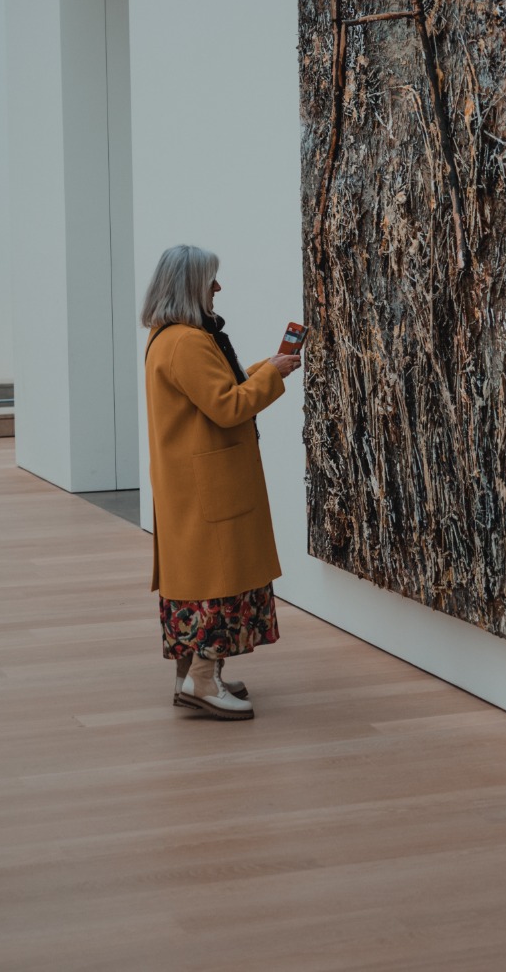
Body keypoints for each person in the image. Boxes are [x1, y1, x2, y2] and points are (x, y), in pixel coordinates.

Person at [139, 244, 300, 720]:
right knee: (219, 585)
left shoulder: (168, 337)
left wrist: (263, 369)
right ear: (191, 285)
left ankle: (192, 678)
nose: (218, 287)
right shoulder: (188, 342)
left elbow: (216, 389)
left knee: (196, 584)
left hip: (191, 485)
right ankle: (203, 683)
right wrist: (271, 377)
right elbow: (228, 407)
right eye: (211, 279)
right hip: (207, 489)